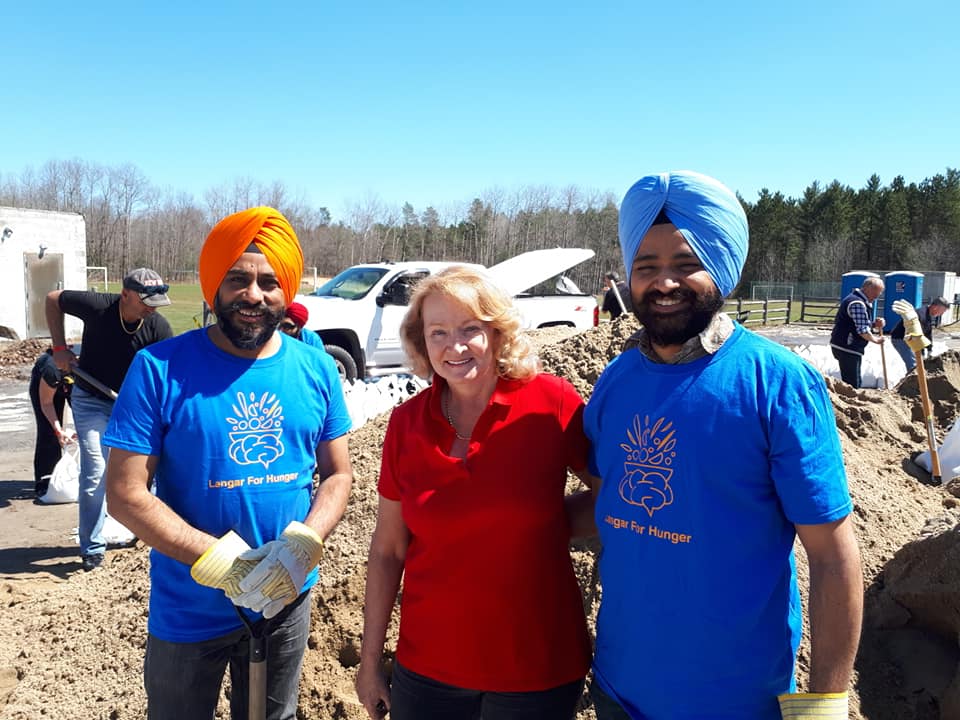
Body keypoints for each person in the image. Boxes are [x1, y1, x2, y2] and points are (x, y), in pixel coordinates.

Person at [582, 171, 863, 720]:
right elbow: (604, 509)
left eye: (686, 264)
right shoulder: (614, 383)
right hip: (617, 689)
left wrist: (826, 703)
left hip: (735, 701)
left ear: (723, 266)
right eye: (646, 267)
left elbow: (832, 555)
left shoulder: (776, 383)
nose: (664, 282)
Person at [103, 206, 353, 720]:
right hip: (189, 609)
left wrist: (304, 544)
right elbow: (126, 493)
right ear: (214, 287)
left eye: (268, 281)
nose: (253, 295)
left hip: (287, 598)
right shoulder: (159, 369)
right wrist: (222, 564)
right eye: (237, 279)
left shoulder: (317, 368)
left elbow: (339, 473)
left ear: (287, 291)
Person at [355, 266, 595, 720]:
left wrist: (546, 523)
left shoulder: (552, 404)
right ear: (421, 341)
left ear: (498, 332)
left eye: (470, 329)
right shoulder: (406, 424)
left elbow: (614, 499)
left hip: (537, 669)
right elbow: (388, 550)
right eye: (438, 332)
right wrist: (370, 663)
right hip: (427, 671)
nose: (454, 345)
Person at [46, 267, 173, 571]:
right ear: (125, 294)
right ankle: (92, 547)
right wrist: (61, 348)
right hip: (90, 398)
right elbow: (53, 299)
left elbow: (166, 374)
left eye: (156, 302)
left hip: (131, 404)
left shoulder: (157, 327)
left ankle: (148, 532)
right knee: (97, 471)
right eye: (145, 301)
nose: (150, 308)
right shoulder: (97, 306)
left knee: (144, 472)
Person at [28, 347, 76, 497]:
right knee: (48, 431)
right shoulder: (51, 370)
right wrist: (58, 430)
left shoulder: (88, 367)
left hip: (74, 382)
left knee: (90, 429)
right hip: (44, 389)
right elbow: (46, 403)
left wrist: (82, 428)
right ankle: (45, 480)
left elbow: (85, 408)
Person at [830, 276, 885, 388]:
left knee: (854, 380)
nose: (877, 296)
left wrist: (874, 324)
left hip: (846, 346)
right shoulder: (857, 303)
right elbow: (862, 330)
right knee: (853, 383)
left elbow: (859, 322)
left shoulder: (858, 300)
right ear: (868, 288)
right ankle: (850, 402)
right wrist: (876, 340)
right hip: (847, 346)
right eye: (877, 292)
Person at [890, 296, 950, 371]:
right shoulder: (921, 314)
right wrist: (921, 353)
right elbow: (918, 337)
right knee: (914, 365)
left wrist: (929, 349)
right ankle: (913, 381)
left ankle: (917, 379)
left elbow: (928, 333)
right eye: (943, 311)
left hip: (910, 339)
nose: (942, 314)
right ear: (936, 307)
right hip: (901, 339)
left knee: (918, 363)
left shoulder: (928, 315)